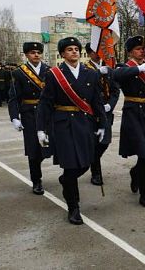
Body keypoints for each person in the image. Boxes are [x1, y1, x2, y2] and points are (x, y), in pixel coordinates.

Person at [36, 37, 106, 225]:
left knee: (85, 163)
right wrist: (41, 129)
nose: (74, 52)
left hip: (85, 124)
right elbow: (45, 103)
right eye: (69, 49)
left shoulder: (91, 74)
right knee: (71, 165)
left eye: (76, 49)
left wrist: (102, 125)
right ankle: (73, 207)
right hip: (63, 125)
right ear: (62, 54)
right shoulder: (54, 74)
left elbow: (97, 102)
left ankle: (66, 180)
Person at [113, 35, 145, 208]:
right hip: (133, 115)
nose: (142, 51)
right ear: (130, 52)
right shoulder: (125, 67)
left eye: (144, 49)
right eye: (138, 49)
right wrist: (138, 69)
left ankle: (135, 172)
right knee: (144, 153)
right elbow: (117, 75)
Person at [8, 42, 51, 195]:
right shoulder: (19, 73)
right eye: (33, 52)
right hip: (29, 115)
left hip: (47, 114)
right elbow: (13, 98)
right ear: (26, 54)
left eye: (39, 52)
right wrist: (14, 117)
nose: (36, 55)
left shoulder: (50, 71)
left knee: (50, 146)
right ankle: (36, 180)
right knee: (34, 149)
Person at [84, 43, 120, 186]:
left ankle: (92, 160)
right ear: (88, 53)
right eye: (94, 51)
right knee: (95, 142)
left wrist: (110, 105)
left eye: (99, 50)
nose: (98, 53)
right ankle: (96, 173)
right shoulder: (85, 69)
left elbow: (115, 90)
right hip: (92, 112)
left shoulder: (108, 68)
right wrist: (98, 74)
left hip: (106, 112)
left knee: (105, 142)